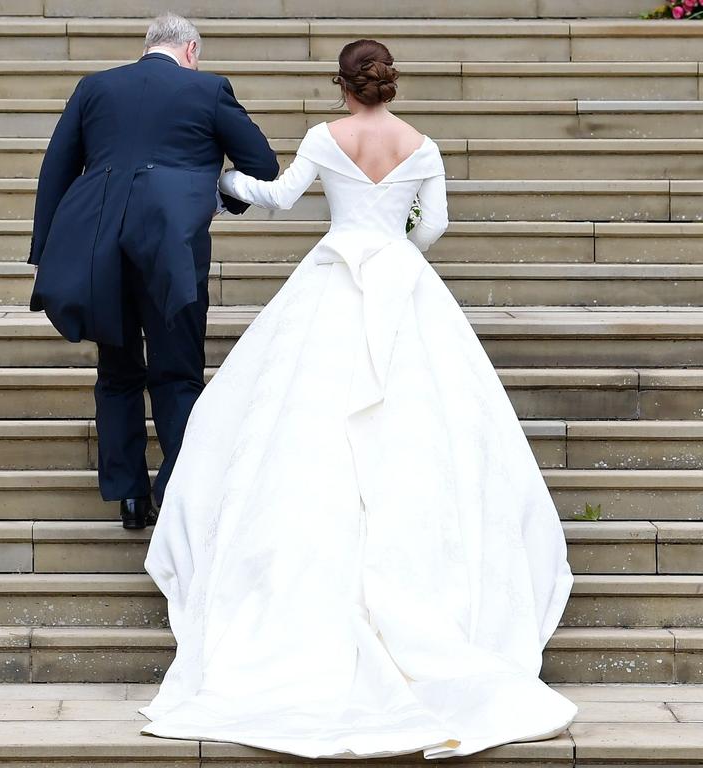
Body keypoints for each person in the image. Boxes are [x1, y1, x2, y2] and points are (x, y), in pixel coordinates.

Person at [139, 38, 577, 759]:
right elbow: (433, 226)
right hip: (402, 283)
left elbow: (279, 197)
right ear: (388, 86)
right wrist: (396, 244)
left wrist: (227, 185)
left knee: (293, 425)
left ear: (342, 86)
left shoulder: (324, 136)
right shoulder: (422, 145)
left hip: (334, 277)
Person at [28, 13, 279, 529]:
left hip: (100, 247)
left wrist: (46, 249)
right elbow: (262, 163)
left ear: (149, 46)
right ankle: (178, 490)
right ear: (190, 50)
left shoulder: (94, 87)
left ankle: (128, 496)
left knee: (117, 372)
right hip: (171, 249)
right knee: (177, 372)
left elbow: (56, 168)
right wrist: (210, 195)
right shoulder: (207, 90)